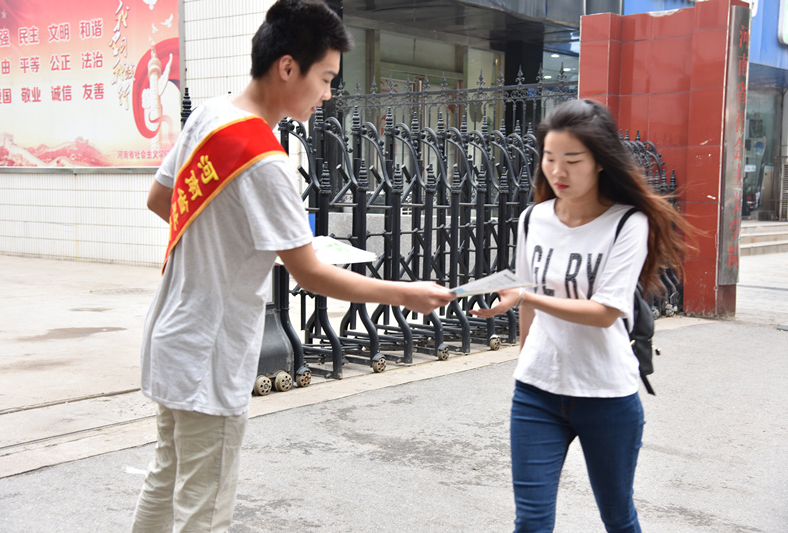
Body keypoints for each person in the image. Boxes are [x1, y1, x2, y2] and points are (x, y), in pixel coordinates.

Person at [131, 1, 454, 531]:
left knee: (164, 479)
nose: (327, 94)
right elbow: (310, 274)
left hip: (172, 335)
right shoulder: (266, 160)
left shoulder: (208, 116)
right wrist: (406, 294)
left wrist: (225, 242)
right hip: (211, 351)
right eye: (325, 78)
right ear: (287, 67)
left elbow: (159, 200)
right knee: (203, 509)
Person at [471, 98, 693, 533]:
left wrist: (526, 296)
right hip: (536, 393)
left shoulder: (627, 223)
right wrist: (526, 357)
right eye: (549, 158)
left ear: (600, 162)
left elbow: (605, 312)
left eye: (572, 160)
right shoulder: (534, 219)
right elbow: (526, 298)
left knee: (618, 518)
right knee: (531, 523)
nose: (558, 171)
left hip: (606, 395)